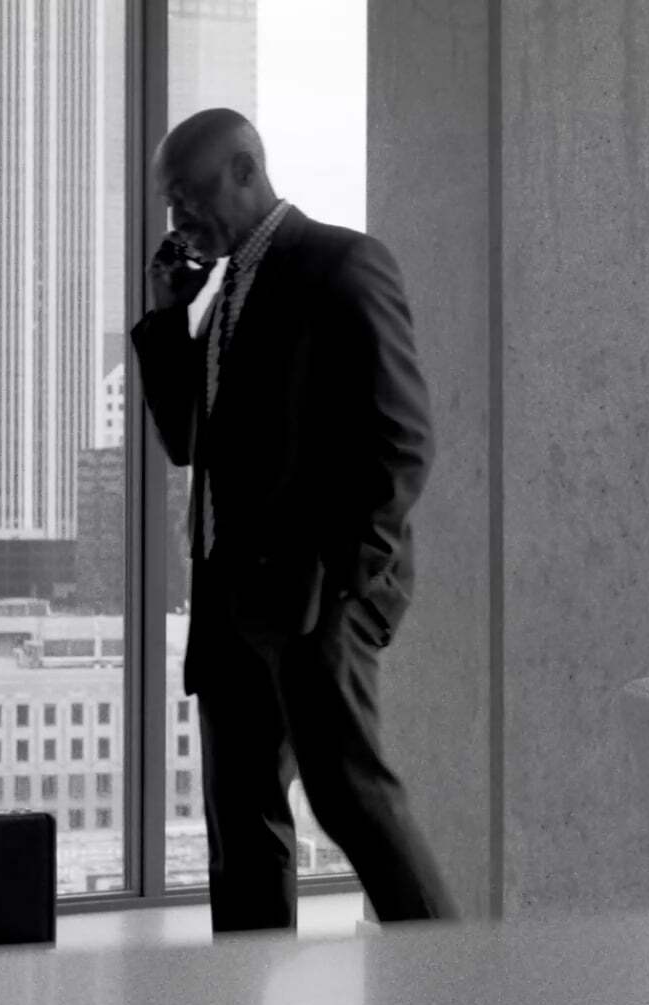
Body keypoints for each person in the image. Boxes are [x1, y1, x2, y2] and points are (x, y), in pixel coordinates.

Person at [131, 108, 457, 932]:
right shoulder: (222, 294)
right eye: (170, 206)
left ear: (246, 170)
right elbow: (185, 440)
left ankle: (464, 1002)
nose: (180, 222)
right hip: (231, 606)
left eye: (190, 197)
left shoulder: (342, 264)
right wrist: (169, 313)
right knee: (242, 835)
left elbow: (404, 439)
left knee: (356, 808)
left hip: (315, 605)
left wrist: (342, 581)